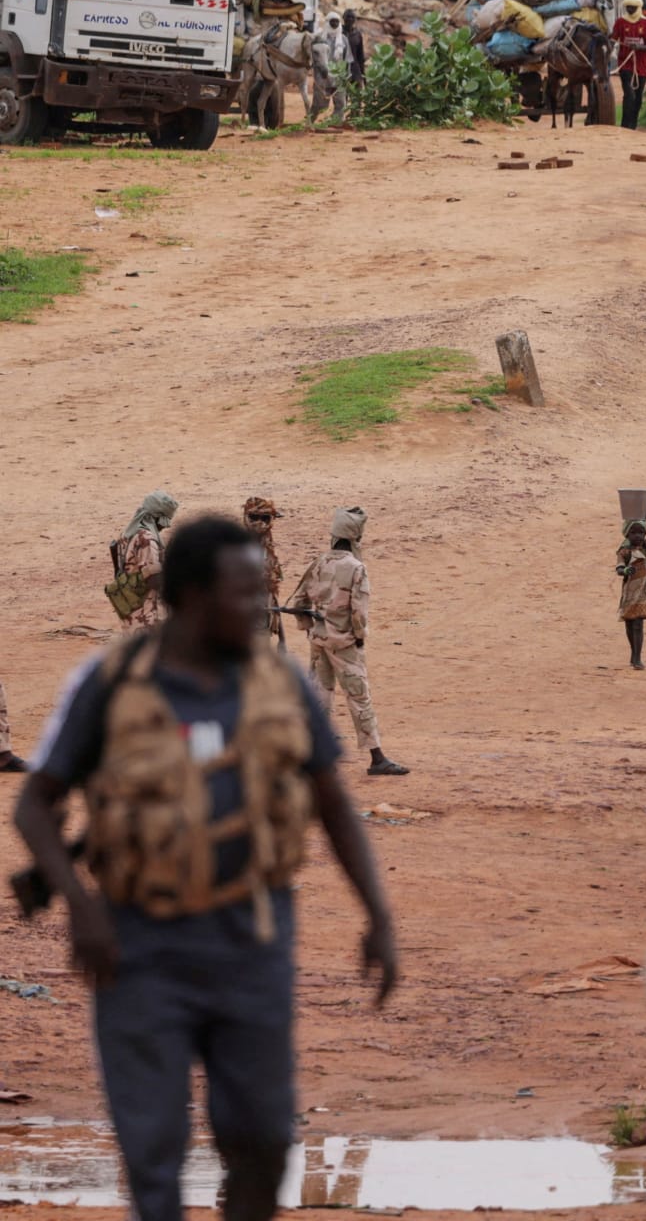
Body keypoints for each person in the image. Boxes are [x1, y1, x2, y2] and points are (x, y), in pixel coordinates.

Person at [17, 514, 400, 1220]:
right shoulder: (109, 682)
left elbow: (334, 804)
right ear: (192, 595)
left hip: (252, 942)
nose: (259, 607)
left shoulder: (279, 683)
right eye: (242, 593)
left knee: (261, 1144)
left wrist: (378, 915)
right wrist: (79, 902)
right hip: (137, 948)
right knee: (152, 1152)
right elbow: (35, 806)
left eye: (261, 592)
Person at [287, 508, 406, 777]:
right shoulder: (356, 568)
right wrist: (359, 638)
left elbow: (300, 602)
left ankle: (309, 755)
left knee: (319, 695)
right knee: (359, 697)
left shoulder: (319, 562)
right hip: (344, 644)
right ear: (356, 537)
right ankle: (377, 758)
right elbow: (359, 612)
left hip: (319, 640)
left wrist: (311, 629)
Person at [113, 491, 176, 629]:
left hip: (131, 608)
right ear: (157, 518)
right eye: (164, 521)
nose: (165, 526)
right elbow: (154, 579)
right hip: (147, 615)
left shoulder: (128, 533)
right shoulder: (146, 539)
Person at [609, 0, 646, 130]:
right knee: (629, 94)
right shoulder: (620, 22)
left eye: (633, 8)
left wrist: (639, 47)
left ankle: (633, 124)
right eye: (628, 7)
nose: (630, 10)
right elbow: (613, 39)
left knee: (638, 97)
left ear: (638, 8)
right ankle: (625, 125)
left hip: (641, 65)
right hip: (625, 63)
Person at [616, 516, 646, 670]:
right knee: (629, 624)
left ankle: (637, 657)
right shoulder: (624, 551)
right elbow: (619, 569)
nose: (639, 536)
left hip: (644, 592)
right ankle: (633, 654)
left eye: (641, 532)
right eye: (634, 532)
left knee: (638, 624)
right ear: (627, 534)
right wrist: (625, 569)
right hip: (629, 593)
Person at [241, 497, 283, 643]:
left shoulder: (265, 542)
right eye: (255, 518)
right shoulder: (239, 545)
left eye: (265, 518)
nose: (260, 523)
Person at [341, 9, 366, 86]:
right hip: (341, 69)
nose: (350, 19)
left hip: (355, 69)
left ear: (355, 19)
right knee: (341, 96)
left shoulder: (357, 34)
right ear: (343, 18)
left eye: (352, 17)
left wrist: (363, 76)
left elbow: (360, 56)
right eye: (348, 17)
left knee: (357, 94)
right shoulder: (338, 32)